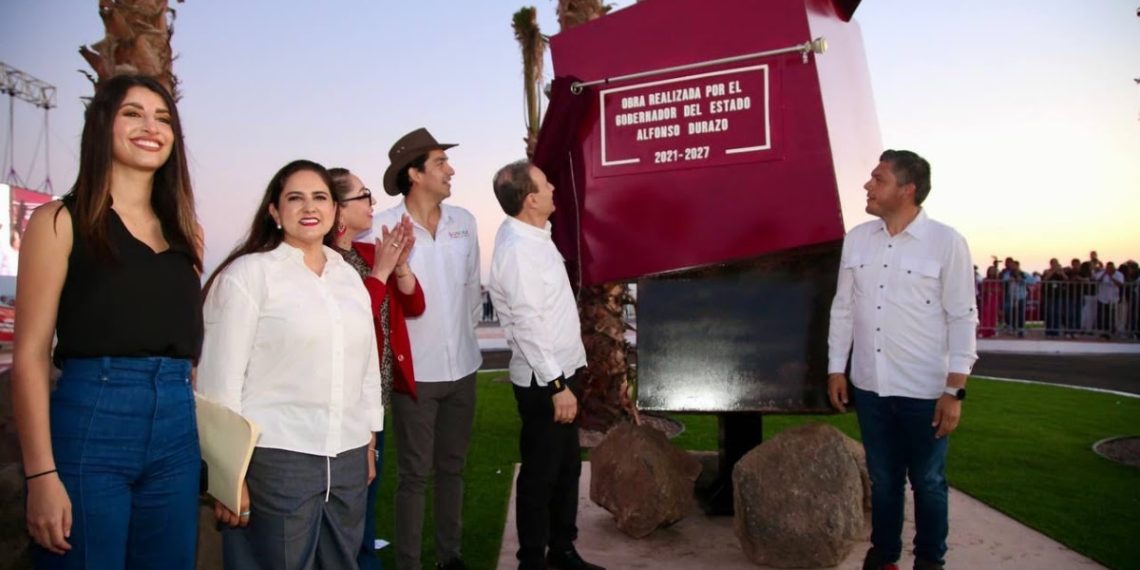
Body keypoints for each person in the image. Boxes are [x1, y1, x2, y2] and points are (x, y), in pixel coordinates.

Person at [11, 74, 204, 567]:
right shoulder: (58, 221)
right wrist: (40, 476)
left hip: (177, 430)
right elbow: (31, 354)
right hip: (94, 419)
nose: (151, 127)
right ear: (102, 126)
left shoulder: (187, 233)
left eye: (163, 118)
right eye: (133, 113)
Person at [197, 159, 383, 568]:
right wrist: (228, 478)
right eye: (294, 198)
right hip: (278, 459)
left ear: (334, 211)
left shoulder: (348, 278)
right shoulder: (249, 276)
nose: (308, 207)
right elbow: (219, 383)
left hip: (348, 457)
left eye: (319, 197)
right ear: (274, 212)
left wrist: (368, 442)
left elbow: (366, 368)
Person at [827, 149, 978, 570]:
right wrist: (836, 367)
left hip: (925, 390)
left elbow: (963, 317)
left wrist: (954, 389)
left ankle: (930, 561)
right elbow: (843, 307)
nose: (868, 186)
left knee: (928, 483)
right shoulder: (857, 239)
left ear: (907, 190)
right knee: (884, 480)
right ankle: (884, 557)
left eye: (878, 179)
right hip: (870, 385)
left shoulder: (947, 243)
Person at [487, 161, 605, 570]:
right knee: (541, 475)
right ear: (530, 199)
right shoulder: (519, 251)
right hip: (545, 381)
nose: (555, 186)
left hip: (560, 372)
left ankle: (563, 550)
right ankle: (532, 560)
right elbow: (528, 323)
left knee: (567, 467)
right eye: (546, 183)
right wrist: (558, 386)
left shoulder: (534, 236)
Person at [375, 128, 482, 570]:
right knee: (415, 476)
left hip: (465, 368)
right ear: (414, 174)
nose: (450, 169)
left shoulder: (465, 221)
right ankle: (408, 562)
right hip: (414, 374)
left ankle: (450, 557)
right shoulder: (384, 226)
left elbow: (473, 291)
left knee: (453, 470)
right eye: (440, 163)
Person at [327, 167, 426, 570]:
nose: (372, 204)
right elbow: (352, 321)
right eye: (363, 195)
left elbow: (415, 305)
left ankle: (364, 558)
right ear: (337, 209)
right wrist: (381, 273)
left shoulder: (369, 254)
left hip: (375, 404)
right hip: (341, 405)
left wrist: (398, 265)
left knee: (365, 502)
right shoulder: (326, 263)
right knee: (341, 508)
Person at [977, 266, 1002, 338]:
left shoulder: (998, 281)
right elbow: (983, 289)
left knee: (993, 316)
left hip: (995, 301)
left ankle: (992, 331)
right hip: (987, 300)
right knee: (986, 315)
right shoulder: (986, 280)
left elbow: (999, 291)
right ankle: (983, 331)